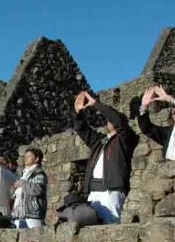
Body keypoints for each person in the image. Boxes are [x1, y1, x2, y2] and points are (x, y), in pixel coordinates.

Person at [74, 91, 138, 223]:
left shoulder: (125, 139)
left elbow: (118, 121)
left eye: (110, 119)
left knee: (110, 226)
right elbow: (82, 130)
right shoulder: (99, 141)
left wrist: (96, 104)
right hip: (93, 192)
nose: (108, 120)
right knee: (91, 228)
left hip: (111, 191)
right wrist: (78, 113)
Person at [10, 148, 48, 228]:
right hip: (19, 215)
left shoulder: (39, 173)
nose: (25, 158)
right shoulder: (23, 174)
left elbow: (38, 189)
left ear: (36, 159)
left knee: (35, 239)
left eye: (29, 156)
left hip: (33, 215)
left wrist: (22, 184)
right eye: (25, 156)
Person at [138, 85, 175, 159]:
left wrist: (170, 99)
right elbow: (147, 128)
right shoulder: (168, 133)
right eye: (173, 113)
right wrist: (144, 107)